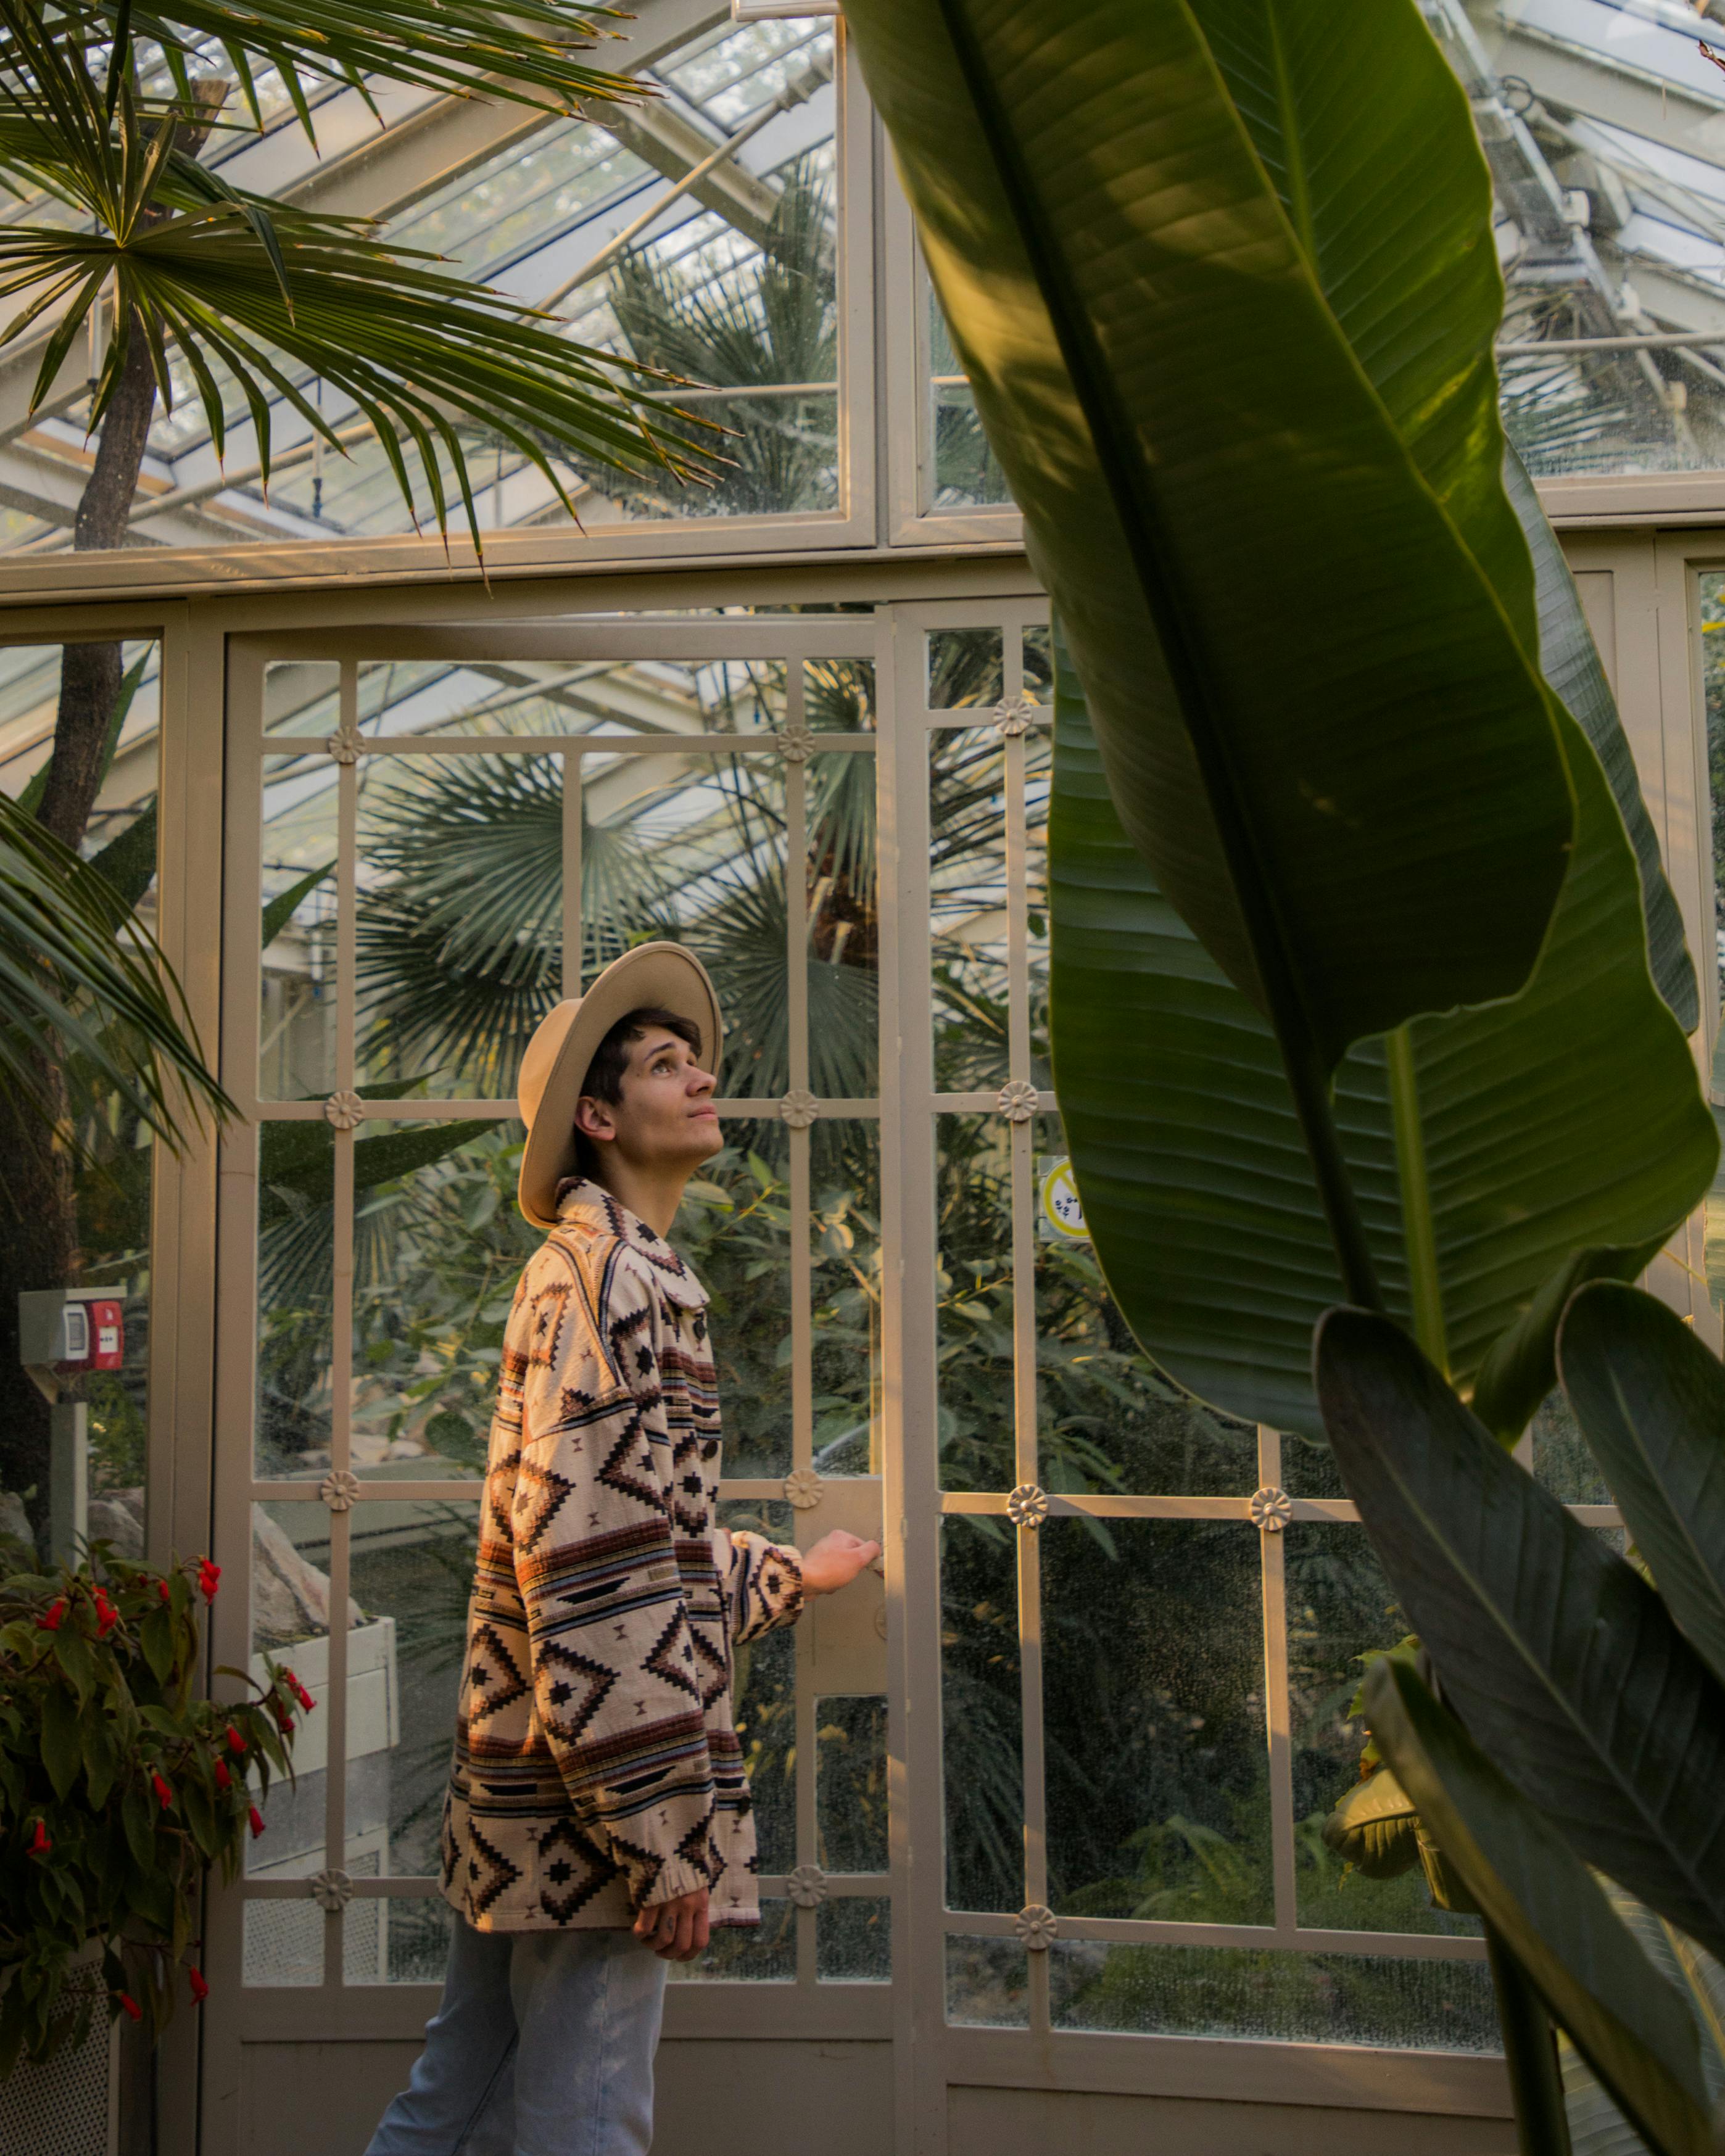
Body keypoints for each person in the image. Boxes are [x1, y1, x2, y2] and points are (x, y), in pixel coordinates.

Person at [364, 943, 880, 2156]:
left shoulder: (604, 1276)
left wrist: (786, 1575)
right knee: (585, 2120)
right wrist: (658, 1846)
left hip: (535, 1790)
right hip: (591, 1816)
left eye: (693, 1057)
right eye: (663, 1064)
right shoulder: (607, 1288)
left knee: (451, 2103)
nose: (701, 1076)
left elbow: (635, 1538)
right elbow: (591, 1575)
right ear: (599, 1115)